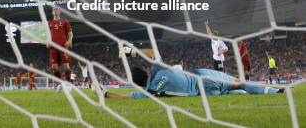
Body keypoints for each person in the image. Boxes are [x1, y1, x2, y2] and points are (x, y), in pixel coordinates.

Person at [106, 46, 284, 99]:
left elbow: (126, 96)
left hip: (202, 93)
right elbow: (152, 51)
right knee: (239, 82)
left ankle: (244, 93)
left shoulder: (149, 92)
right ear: (146, 71)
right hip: (201, 76)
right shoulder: (157, 69)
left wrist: (105, 93)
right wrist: (133, 51)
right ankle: (276, 91)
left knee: (233, 92)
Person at [47, 7, 73, 88]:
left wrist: (69, 40)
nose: (55, 10)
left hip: (63, 46)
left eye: (57, 9)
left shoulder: (65, 21)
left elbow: (70, 33)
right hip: (53, 47)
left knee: (66, 66)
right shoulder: (49, 23)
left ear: (60, 12)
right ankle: (60, 84)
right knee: (54, 67)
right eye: (54, 9)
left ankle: (69, 83)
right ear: (52, 12)